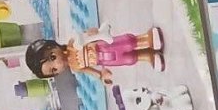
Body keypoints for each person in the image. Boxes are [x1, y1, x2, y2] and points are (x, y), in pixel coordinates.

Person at [25, 27, 166, 84]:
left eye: (52, 57)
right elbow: (89, 70)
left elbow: (86, 35)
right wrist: (101, 76)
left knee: (127, 43)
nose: (58, 64)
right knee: (129, 59)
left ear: (53, 46)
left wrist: (94, 33)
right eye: (54, 69)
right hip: (105, 61)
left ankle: (147, 38)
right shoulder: (75, 67)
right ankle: (148, 56)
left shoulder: (72, 45)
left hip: (104, 46)